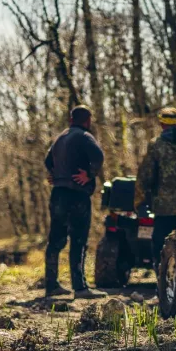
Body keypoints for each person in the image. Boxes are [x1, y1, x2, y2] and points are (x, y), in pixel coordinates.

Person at [44, 105, 105, 299]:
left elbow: (47, 160)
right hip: (77, 195)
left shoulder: (60, 138)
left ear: (71, 119)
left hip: (58, 195)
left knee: (55, 240)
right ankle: (80, 288)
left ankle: (51, 285)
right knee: (78, 240)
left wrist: (54, 174)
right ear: (88, 120)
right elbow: (98, 157)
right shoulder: (85, 137)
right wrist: (89, 174)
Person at [134, 107, 176, 270]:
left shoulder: (156, 145)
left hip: (163, 206)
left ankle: (162, 280)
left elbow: (146, 175)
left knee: (160, 244)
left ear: (161, 124)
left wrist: (140, 201)